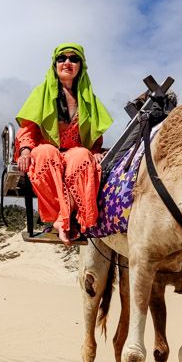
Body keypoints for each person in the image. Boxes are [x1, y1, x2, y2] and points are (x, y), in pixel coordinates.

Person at [15, 43, 113, 245]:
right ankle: (59, 220)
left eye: (73, 59)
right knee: (46, 152)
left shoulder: (88, 99)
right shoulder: (41, 93)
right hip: (45, 150)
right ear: (55, 64)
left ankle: (67, 221)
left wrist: (95, 151)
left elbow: (94, 134)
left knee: (83, 155)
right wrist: (25, 151)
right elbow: (28, 129)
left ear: (81, 66)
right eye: (62, 58)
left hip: (73, 151)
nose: (67, 62)